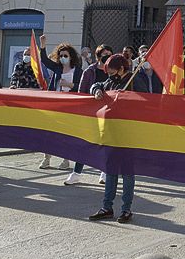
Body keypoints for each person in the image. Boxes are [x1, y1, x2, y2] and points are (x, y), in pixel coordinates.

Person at [87, 55, 149, 224]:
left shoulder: (136, 81)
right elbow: (98, 84)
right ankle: (107, 207)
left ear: (122, 68)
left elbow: (147, 102)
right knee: (111, 171)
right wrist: (96, 90)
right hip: (112, 133)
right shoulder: (111, 81)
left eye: (113, 71)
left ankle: (126, 209)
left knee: (127, 174)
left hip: (129, 135)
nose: (110, 75)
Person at [65, 44, 116, 185]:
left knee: (106, 144)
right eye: (104, 54)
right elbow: (81, 93)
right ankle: (76, 173)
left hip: (108, 113)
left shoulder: (113, 72)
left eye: (109, 53)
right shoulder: (89, 71)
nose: (107, 56)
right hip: (91, 113)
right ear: (98, 56)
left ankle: (104, 172)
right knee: (84, 143)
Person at [39, 41, 84, 170]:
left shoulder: (78, 71)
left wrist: (70, 85)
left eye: (65, 55)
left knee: (66, 134)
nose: (63, 58)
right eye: (61, 55)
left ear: (71, 57)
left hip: (70, 106)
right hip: (55, 104)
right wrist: (43, 46)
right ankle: (46, 158)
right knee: (49, 132)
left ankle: (66, 159)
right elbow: (44, 61)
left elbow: (81, 87)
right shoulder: (57, 68)